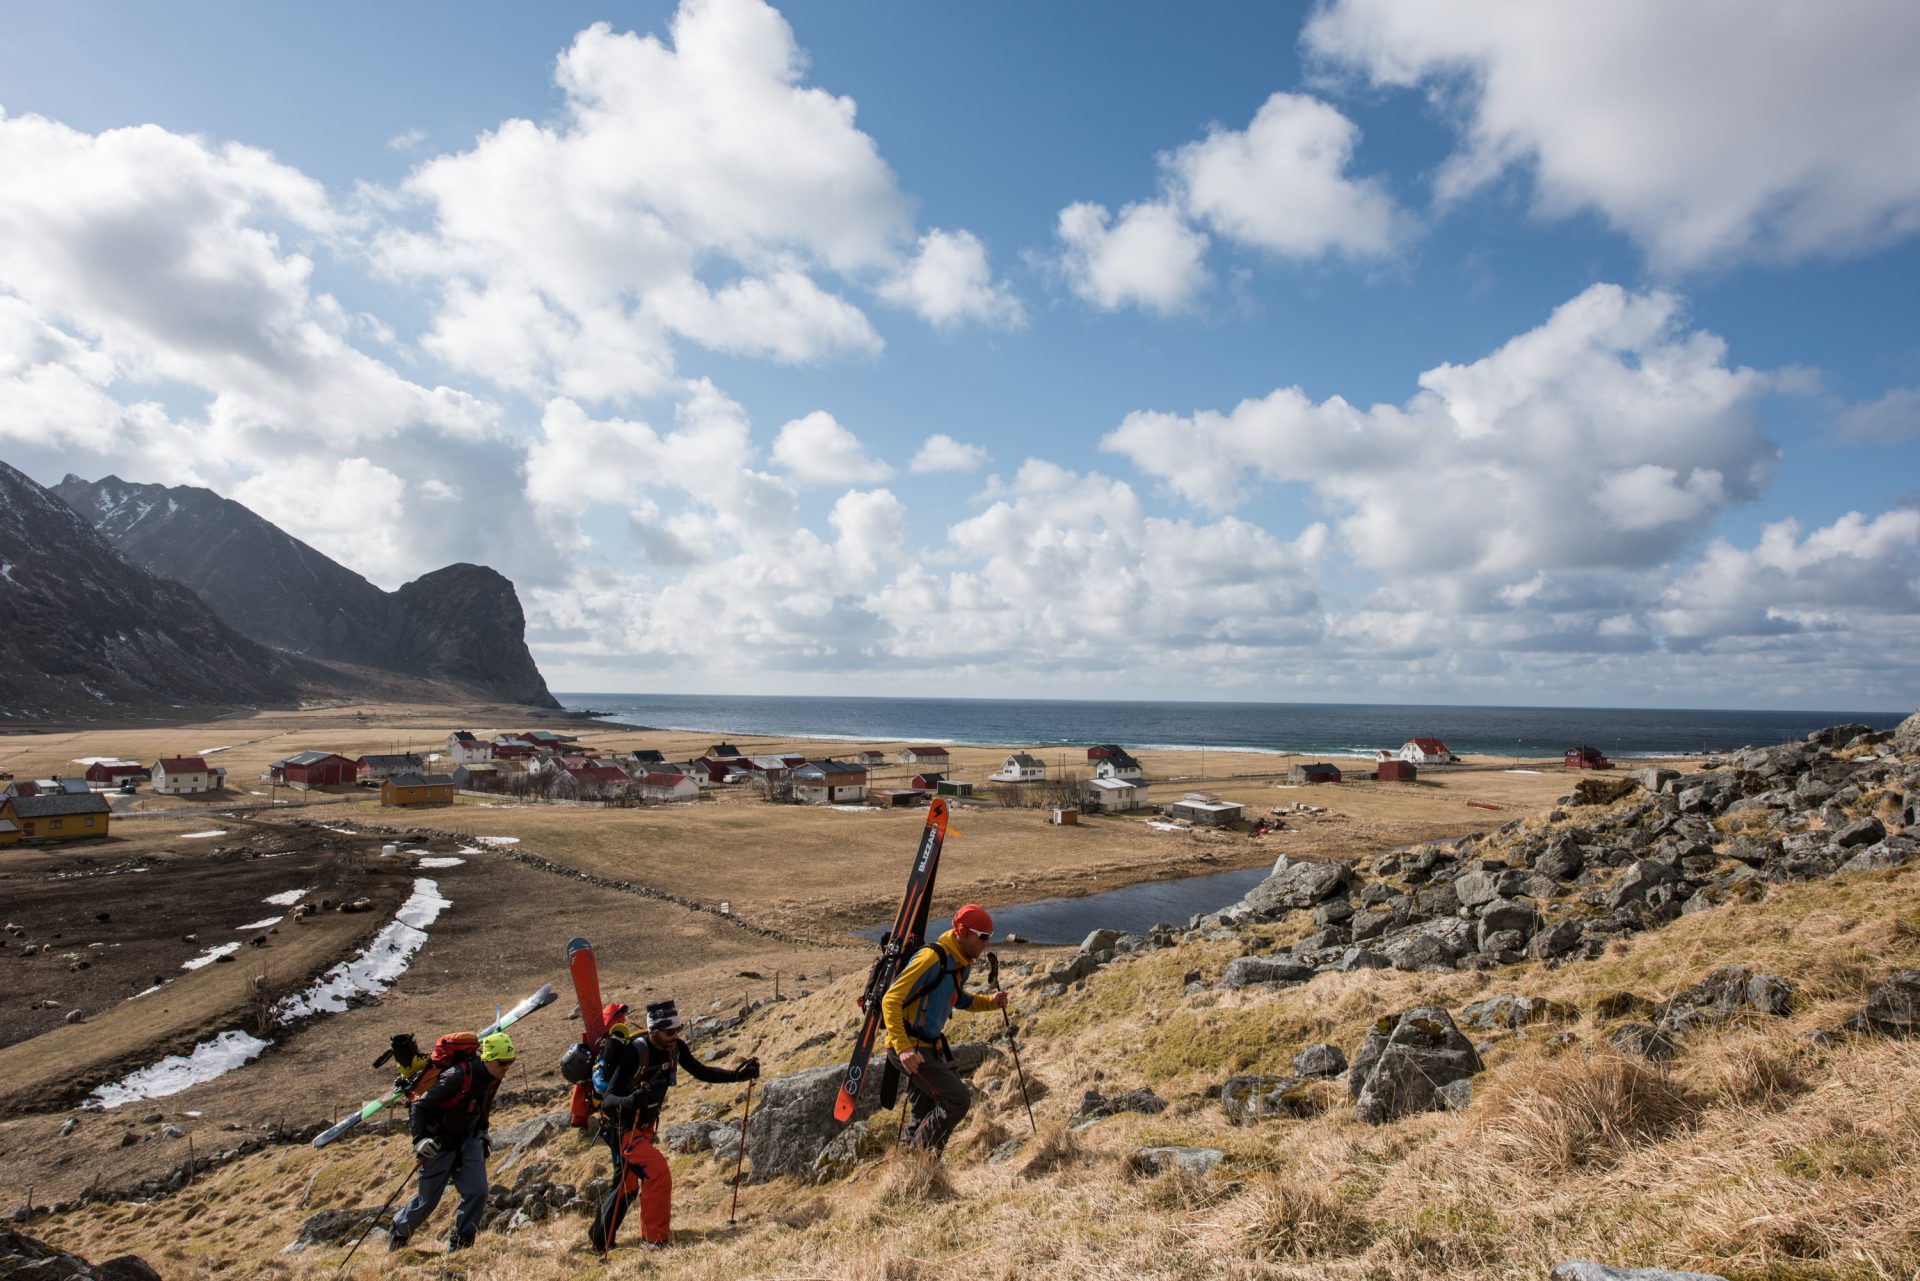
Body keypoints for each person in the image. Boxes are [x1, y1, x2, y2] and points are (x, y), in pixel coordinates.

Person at [588, 999, 759, 1253]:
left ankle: (600, 1240)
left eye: (677, 1030)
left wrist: (737, 1075)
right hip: (621, 1128)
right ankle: (654, 1241)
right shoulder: (636, 1052)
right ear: (653, 1030)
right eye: (669, 1032)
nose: (674, 1036)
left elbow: (701, 1072)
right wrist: (632, 1100)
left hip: (642, 1128)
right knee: (656, 1171)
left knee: (627, 1184)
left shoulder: (675, 1048)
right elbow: (610, 1100)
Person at [880, 903, 1008, 1153]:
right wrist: (904, 1047)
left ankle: (910, 1168)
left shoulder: (962, 962)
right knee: (957, 1099)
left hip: (928, 1047)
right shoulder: (931, 959)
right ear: (962, 931)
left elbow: (957, 998)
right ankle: (922, 1162)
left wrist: (990, 1003)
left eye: (989, 937)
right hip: (910, 1050)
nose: (986, 944)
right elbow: (890, 999)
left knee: (923, 1113)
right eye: (982, 936)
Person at [389, 1031, 516, 1252]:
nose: (507, 1068)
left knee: (478, 1192)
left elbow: (482, 1104)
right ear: (487, 1058)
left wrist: (483, 1132)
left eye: (510, 1063)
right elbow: (419, 1106)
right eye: (503, 1063)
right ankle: (400, 1231)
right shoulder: (457, 1076)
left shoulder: (493, 1077)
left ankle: (461, 1245)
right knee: (427, 1201)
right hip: (438, 1143)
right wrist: (420, 1140)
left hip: (469, 1139)